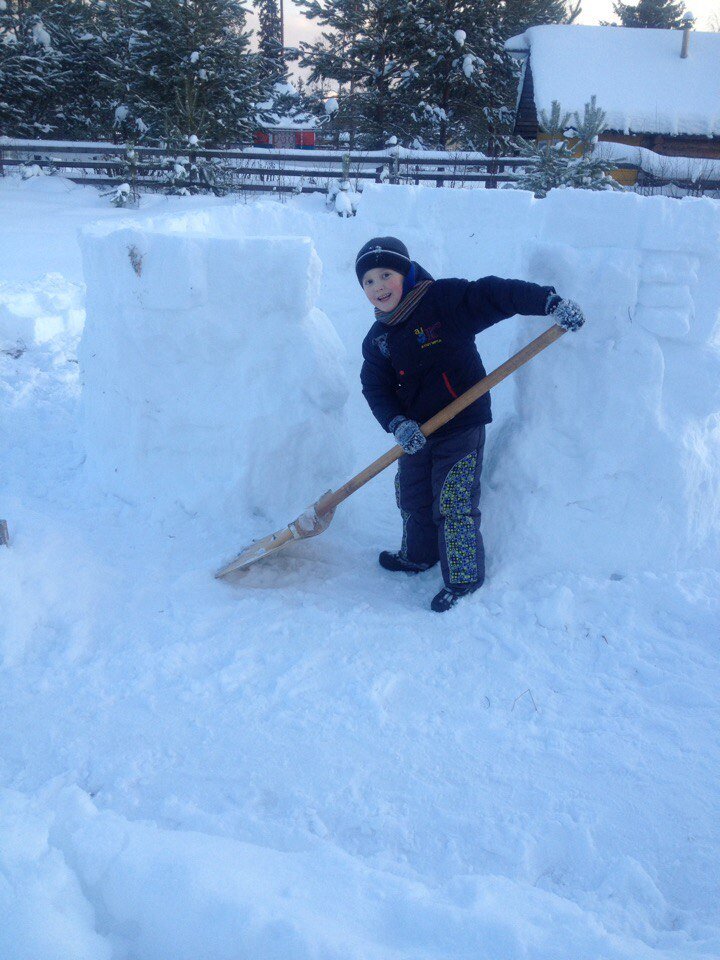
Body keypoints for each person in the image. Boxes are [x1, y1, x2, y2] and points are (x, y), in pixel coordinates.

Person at [357, 236, 585, 613]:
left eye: (386, 274)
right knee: (412, 495)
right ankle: (418, 556)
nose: (378, 286)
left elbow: (495, 294)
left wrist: (549, 302)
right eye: (368, 281)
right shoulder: (379, 338)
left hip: (461, 423)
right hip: (416, 432)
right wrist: (397, 423)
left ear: (406, 273)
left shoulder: (442, 301)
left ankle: (463, 577)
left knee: (454, 500)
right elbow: (374, 387)